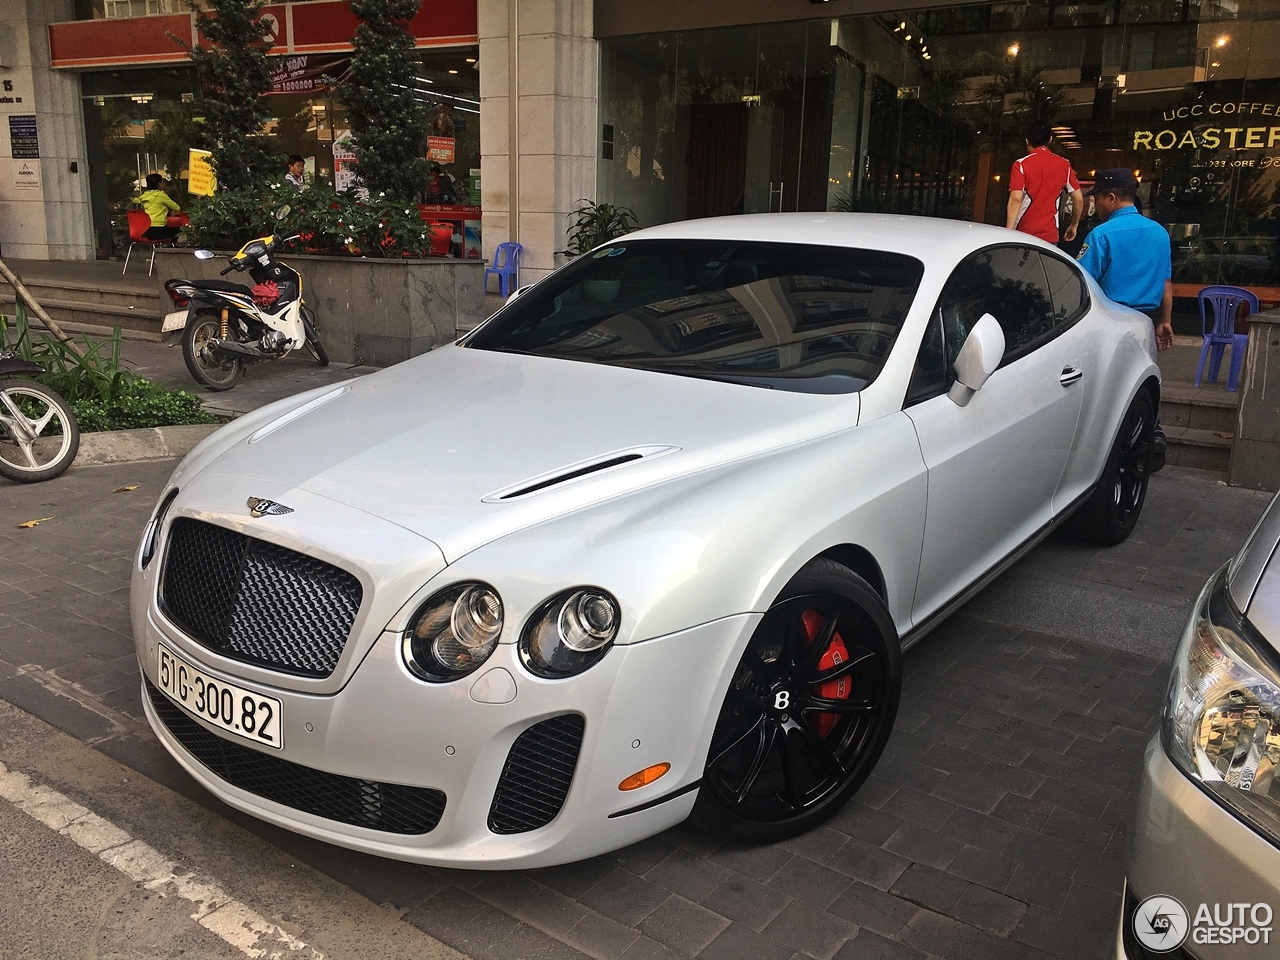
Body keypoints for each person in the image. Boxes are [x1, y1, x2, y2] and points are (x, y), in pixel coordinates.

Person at [1076, 168, 1174, 352]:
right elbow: (1166, 283)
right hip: (1147, 324)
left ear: (1111, 198)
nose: (1095, 206)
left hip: (1110, 324)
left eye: (1097, 200)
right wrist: (1165, 321)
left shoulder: (1101, 235)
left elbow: (1082, 282)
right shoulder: (1160, 233)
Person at [1006, 120, 1084, 247]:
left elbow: (1016, 199)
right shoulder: (1064, 164)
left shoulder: (1020, 164)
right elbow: (1079, 199)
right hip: (1050, 235)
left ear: (1027, 141)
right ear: (1050, 140)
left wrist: (1008, 233)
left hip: (1023, 232)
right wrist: (1073, 225)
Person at [135, 173, 181, 242]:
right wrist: (171, 210)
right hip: (159, 230)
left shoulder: (144, 196)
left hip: (147, 230)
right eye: (162, 182)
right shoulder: (161, 195)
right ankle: (170, 249)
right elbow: (177, 208)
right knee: (178, 230)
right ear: (159, 184)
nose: (164, 184)